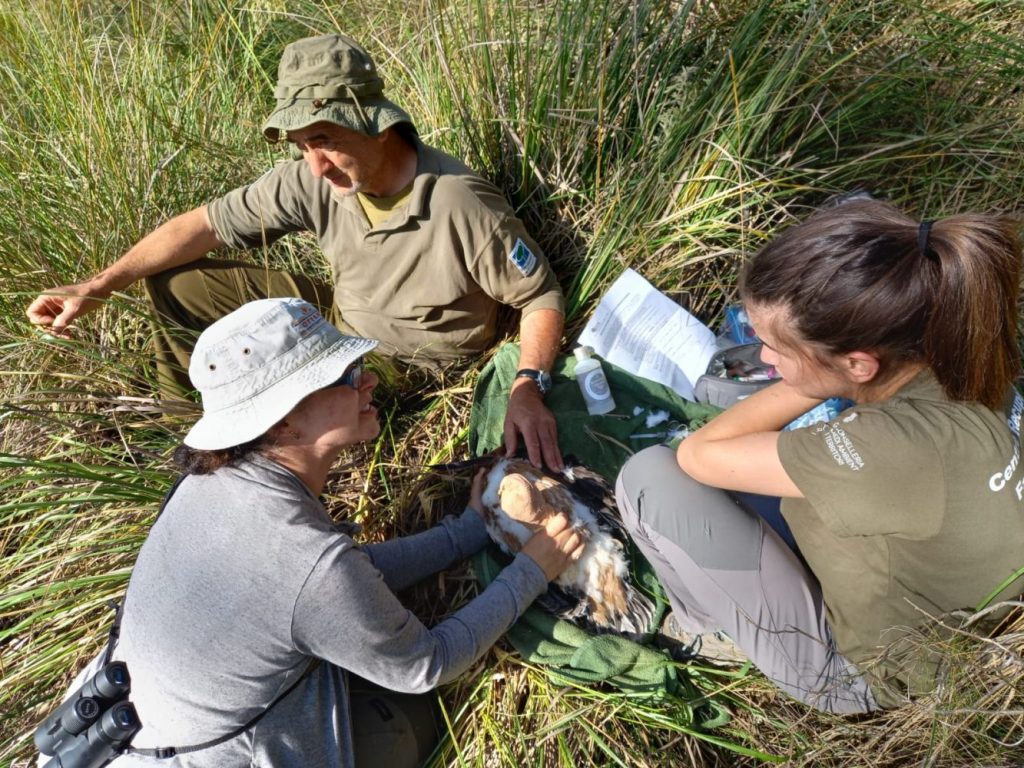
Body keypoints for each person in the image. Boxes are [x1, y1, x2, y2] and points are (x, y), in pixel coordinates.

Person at [39, 297, 584, 767]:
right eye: (345, 377)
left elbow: (334, 581)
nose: (368, 378)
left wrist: (466, 531)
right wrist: (534, 569)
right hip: (211, 752)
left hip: (113, 728)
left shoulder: (210, 479)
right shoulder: (309, 564)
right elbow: (426, 664)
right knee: (411, 723)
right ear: (280, 423)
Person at [25, 33, 565, 471]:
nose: (315, 166)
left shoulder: (458, 203)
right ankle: (187, 436)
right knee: (177, 283)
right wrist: (97, 286)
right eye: (302, 145)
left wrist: (527, 388)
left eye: (324, 139)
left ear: (375, 125)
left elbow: (540, 296)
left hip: (403, 361)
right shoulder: (315, 180)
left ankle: (246, 461)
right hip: (337, 318)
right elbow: (204, 225)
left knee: (292, 399)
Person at [615, 198, 1024, 713]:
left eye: (777, 350)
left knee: (650, 477)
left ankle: (706, 631)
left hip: (861, 670)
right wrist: (819, 365)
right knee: (742, 422)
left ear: (861, 363)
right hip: (945, 587)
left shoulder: (884, 448)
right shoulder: (971, 349)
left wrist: (814, 380)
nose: (764, 358)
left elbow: (698, 455)